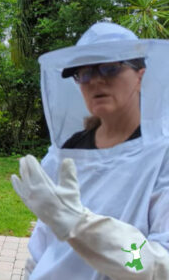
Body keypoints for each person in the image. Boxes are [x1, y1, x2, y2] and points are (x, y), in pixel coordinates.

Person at [11, 22, 169, 279]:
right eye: (83, 73)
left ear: (140, 75)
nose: (95, 81)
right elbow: (45, 244)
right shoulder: (66, 153)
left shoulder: (162, 155)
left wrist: (80, 226)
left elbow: (158, 265)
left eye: (109, 68)